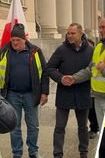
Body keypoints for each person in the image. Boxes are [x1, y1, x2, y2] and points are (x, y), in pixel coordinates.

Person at [0, 23, 49, 158]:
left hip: (31, 95)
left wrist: (44, 92)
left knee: (33, 126)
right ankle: (17, 153)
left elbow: (45, 72)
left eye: (18, 40)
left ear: (24, 39)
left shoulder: (35, 51)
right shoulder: (4, 51)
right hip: (11, 95)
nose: (15, 43)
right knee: (14, 127)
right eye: (13, 40)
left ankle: (33, 152)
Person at [45, 23, 93, 158]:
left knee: (83, 127)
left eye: (73, 33)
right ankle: (57, 153)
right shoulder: (61, 49)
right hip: (64, 93)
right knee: (60, 126)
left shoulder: (91, 51)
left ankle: (84, 152)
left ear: (81, 34)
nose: (70, 36)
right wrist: (60, 78)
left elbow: (93, 70)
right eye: (68, 33)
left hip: (83, 93)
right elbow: (49, 68)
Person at [73, 17, 105, 131]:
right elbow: (91, 69)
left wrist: (104, 69)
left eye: (103, 27)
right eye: (99, 27)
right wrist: (74, 78)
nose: (100, 30)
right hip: (97, 96)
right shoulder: (98, 47)